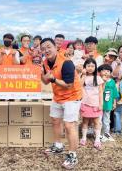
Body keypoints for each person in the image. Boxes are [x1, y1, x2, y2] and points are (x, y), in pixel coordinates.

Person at [41, 38, 82, 169]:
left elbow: (68, 85)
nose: (46, 50)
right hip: (57, 96)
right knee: (55, 120)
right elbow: (46, 81)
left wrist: (53, 79)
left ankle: (73, 155)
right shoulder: (45, 62)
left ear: (55, 47)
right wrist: (43, 74)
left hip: (72, 97)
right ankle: (58, 146)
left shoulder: (66, 63)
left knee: (69, 125)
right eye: (43, 48)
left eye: (48, 47)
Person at [80, 58, 103, 150]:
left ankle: (97, 139)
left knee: (96, 122)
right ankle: (84, 137)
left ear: (95, 67)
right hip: (85, 102)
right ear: (85, 67)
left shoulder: (98, 78)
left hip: (95, 103)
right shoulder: (83, 77)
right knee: (85, 121)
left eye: (92, 66)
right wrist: (83, 74)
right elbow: (79, 85)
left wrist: (101, 104)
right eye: (88, 66)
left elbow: (101, 92)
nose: (90, 68)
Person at [98, 64, 119, 142]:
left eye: (108, 71)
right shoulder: (98, 80)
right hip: (99, 104)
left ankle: (106, 134)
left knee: (106, 120)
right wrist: (103, 81)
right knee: (99, 120)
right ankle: (98, 134)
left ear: (110, 73)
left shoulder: (112, 82)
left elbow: (114, 93)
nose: (106, 72)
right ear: (99, 72)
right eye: (103, 70)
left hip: (108, 104)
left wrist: (114, 103)